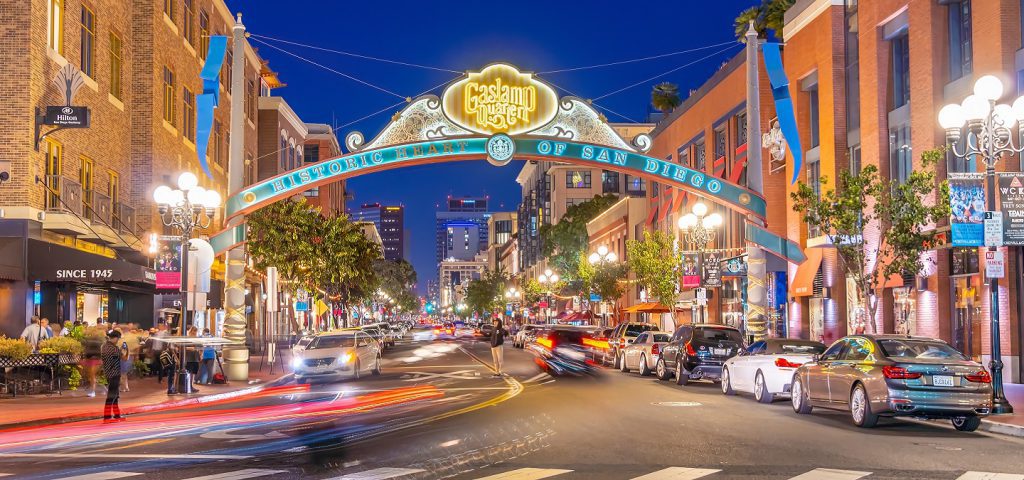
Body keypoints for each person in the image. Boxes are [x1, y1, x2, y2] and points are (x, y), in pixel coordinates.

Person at [101, 330, 126, 422]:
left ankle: (117, 414)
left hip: (108, 373)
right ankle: (107, 417)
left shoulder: (104, 346)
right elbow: (124, 358)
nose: (118, 340)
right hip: (114, 373)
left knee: (115, 395)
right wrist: (125, 350)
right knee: (112, 396)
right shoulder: (113, 348)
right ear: (115, 338)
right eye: (118, 339)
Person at [81, 326, 103, 397]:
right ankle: (94, 389)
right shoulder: (99, 340)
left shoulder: (89, 340)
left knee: (92, 376)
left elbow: (84, 345)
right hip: (93, 359)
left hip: (93, 360)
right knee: (91, 376)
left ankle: (93, 391)